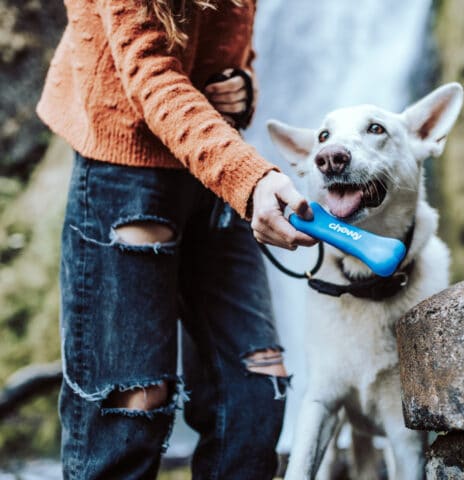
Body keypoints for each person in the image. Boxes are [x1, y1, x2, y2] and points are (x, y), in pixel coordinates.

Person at [36, 0, 315, 478]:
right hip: (127, 167)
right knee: (134, 403)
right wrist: (251, 180)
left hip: (215, 165)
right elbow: (150, 70)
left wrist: (240, 84)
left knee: (258, 386)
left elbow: (226, 37)